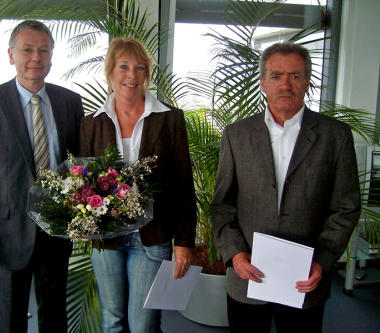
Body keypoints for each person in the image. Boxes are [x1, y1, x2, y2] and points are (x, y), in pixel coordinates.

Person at [211, 42, 360, 333]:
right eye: (276, 76)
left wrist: (323, 261)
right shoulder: (236, 135)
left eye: (295, 75)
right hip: (248, 276)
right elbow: (222, 205)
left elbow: (345, 207)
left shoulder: (335, 136)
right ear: (263, 83)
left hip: (304, 279)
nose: (285, 84)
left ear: (307, 81)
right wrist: (236, 254)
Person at [0, 20, 83, 333]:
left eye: (43, 50)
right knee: (8, 321)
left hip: (55, 233)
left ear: (52, 57)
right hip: (6, 233)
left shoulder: (70, 102)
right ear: (11, 55)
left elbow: (77, 165)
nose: (35, 57)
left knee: (54, 317)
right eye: (27, 49)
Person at [79, 37, 197, 333]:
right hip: (106, 239)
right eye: (123, 67)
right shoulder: (91, 123)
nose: (131, 75)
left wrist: (184, 242)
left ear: (147, 74)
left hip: (153, 236)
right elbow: (82, 182)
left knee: (143, 324)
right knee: (112, 320)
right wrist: (82, 224)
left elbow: (184, 184)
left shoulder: (169, 119)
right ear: (110, 72)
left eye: (140, 68)